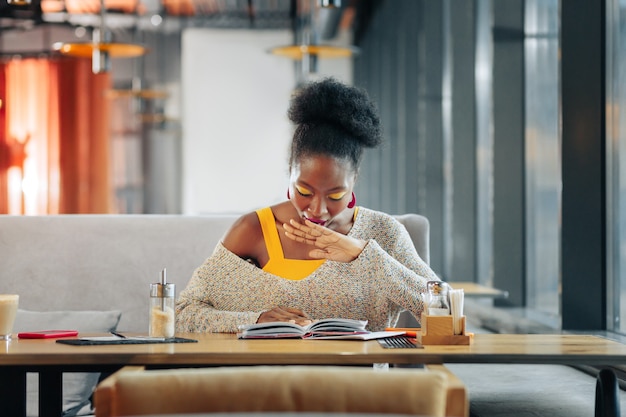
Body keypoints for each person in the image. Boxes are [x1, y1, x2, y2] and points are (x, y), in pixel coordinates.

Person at [176, 77, 440, 333]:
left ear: (354, 182)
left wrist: (362, 255)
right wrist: (255, 320)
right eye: (304, 191)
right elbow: (183, 313)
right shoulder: (254, 229)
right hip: (269, 376)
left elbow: (447, 312)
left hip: (358, 377)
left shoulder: (384, 232)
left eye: (335, 195)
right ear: (290, 173)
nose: (317, 210)